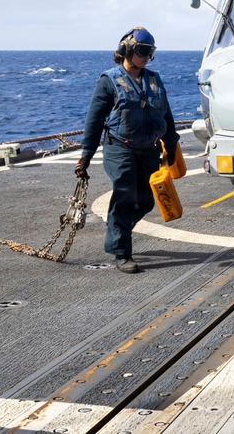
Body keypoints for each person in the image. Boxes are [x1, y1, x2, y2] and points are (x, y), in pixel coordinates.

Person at [75, 27, 179, 273]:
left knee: (144, 202)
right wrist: (85, 156)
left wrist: (171, 144)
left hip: (148, 150)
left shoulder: (154, 80)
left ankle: (117, 231)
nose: (146, 57)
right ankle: (122, 251)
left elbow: (166, 113)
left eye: (150, 53)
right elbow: (94, 120)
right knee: (124, 194)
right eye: (143, 51)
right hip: (119, 147)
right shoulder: (109, 81)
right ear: (126, 51)